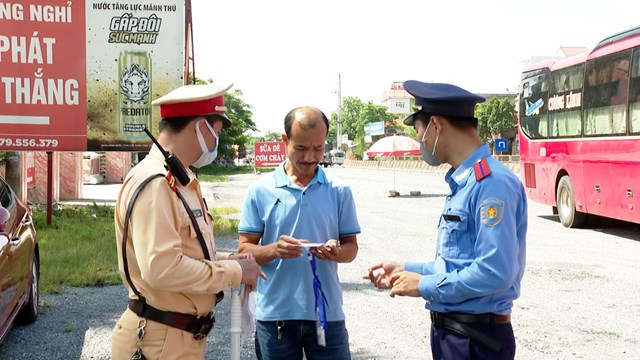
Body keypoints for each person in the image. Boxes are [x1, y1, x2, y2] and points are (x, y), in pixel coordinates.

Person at [364, 81, 528, 359]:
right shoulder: (465, 182)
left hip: (476, 339)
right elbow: (457, 264)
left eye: (420, 133)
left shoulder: (491, 184)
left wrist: (423, 285)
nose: (422, 144)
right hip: (456, 335)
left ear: (436, 126)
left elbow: (495, 272)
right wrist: (406, 269)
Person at [112, 82, 262, 359]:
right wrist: (235, 273)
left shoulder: (179, 180)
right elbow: (163, 268)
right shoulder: (156, 183)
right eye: (216, 133)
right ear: (200, 127)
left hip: (175, 337)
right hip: (159, 339)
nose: (216, 141)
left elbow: (186, 252)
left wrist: (231, 259)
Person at [238, 106, 361, 360]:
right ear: (285, 141)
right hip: (275, 318)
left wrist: (337, 252)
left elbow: (351, 248)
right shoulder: (260, 190)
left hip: (327, 316)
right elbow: (244, 252)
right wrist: (274, 250)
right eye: (302, 148)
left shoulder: (339, 190)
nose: (311, 157)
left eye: (318, 148)